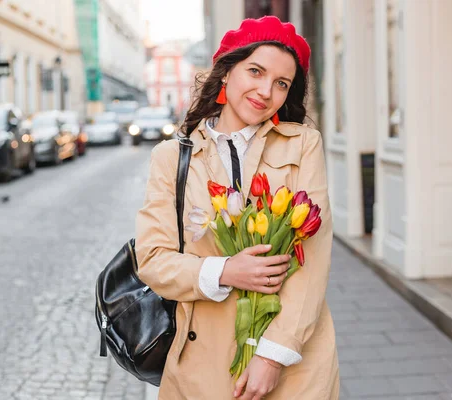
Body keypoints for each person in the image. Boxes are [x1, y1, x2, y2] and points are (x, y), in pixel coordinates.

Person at [135, 16, 339, 400]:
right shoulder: (172, 158)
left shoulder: (302, 145)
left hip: (293, 360)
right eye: (256, 71)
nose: (266, 91)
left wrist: (273, 356)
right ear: (227, 71)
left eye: (282, 83)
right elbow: (153, 259)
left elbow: (313, 257)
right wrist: (226, 270)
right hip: (200, 361)